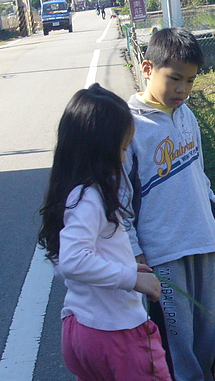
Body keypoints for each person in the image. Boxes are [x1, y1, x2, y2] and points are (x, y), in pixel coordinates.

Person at [124, 27, 215, 381]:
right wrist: (135, 254)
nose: (182, 89)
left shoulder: (187, 116)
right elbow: (119, 202)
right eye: (174, 78)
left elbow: (198, 179)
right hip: (162, 253)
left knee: (206, 340)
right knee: (176, 346)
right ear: (148, 69)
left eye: (191, 81)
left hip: (203, 242)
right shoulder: (128, 126)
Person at [38, 84, 172, 380]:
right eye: (122, 149)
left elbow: (69, 259)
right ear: (98, 150)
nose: (123, 159)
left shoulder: (72, 194)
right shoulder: (91, 198)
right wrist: (131, 278)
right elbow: (75, 261)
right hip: (117, 335)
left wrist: (126, 266)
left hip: (81, 330)